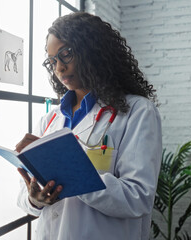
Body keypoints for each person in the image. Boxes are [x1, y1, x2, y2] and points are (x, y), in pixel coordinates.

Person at [15, 12, 162, 240]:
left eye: (65, 55)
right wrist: (36, 199)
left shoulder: (137, 112)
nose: (59, 68)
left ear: (93, 50)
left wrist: (71, 172)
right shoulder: (50, 120)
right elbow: (24, 197)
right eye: (52, 61)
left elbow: (138, 197)